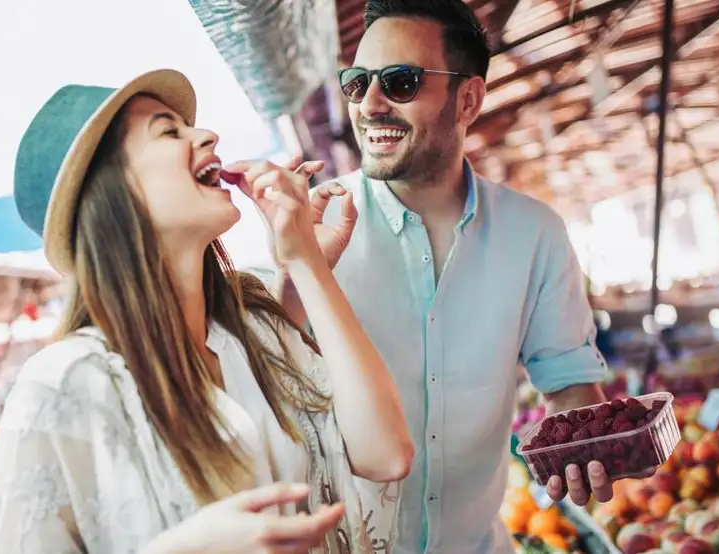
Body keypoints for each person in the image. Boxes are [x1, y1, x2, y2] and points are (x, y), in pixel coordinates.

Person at [0, 68, 414, 554]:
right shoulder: (62, 387)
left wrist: (306, 260)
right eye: (168, 132)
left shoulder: (254, 326)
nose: (207, 134)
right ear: (112, 196)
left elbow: (387, 454)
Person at [250, 1, 618, 552]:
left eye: (400, 82)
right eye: (356, 83)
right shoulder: (308, 226)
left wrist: (585, 448)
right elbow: (263, 377)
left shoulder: (535, 234)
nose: (370, 105)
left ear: (467, 99)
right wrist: (296, 272)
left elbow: (569, 386)